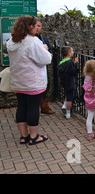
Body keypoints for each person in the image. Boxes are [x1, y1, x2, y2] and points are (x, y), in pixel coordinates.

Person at [6, 15, 52, 145]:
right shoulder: (32, 41)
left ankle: (23, 136)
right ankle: (33, 136)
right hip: (33, 82)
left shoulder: (11, 41)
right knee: (33, 108)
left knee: (21, 107)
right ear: (30, 26)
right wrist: (45, 50)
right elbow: (46, 59)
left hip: (18, 81)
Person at [35, 19, 55, 115]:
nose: (38, 28)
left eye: (39, 26)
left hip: (44, 67)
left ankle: (44, 106)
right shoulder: (30, 39)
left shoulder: (44, 38)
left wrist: (49, 54)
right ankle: (36, 107)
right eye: (36, 26)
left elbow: (50, 51)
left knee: (46, 85)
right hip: (34, 68)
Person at [58, 46, 79, 119]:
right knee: (70, 97)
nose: (73, 52)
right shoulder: (70, 63)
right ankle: (68, 112)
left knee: (67, 93)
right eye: (72, 51)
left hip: (64, 82)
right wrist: (75, 64)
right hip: (70, 82)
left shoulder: (61, 62)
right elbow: (73, 71)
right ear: (69, 53)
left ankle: (64, 104)